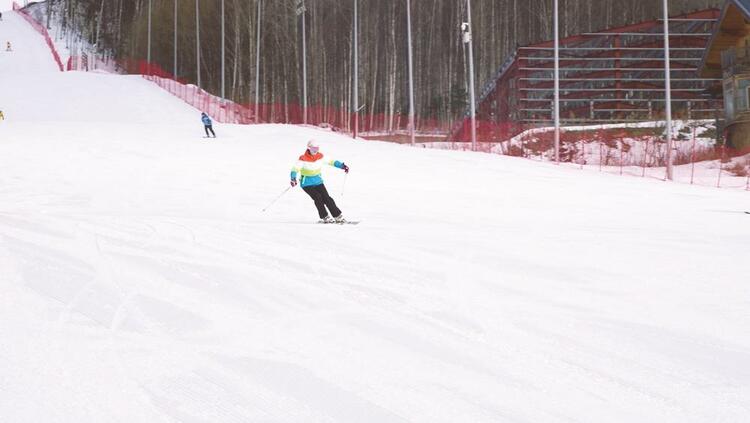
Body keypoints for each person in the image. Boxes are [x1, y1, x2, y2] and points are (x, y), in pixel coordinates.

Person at [290, 140, 350, 223]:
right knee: (318, 197)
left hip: (318, 182)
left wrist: (342, 166)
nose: (315, 150)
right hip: (307, 184)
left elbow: (331, 161)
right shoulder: (303, 158)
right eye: (313, 148)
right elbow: (295, 169)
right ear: (309, 148)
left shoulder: (320, 156)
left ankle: (338, 216)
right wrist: (293, 178)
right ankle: (325, 217)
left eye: (317, 148)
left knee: (327, 198)